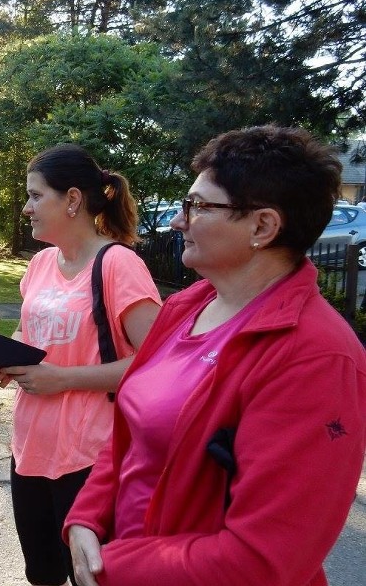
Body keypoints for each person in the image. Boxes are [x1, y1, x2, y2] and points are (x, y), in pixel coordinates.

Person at [63, 125, 366, 586]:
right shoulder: (187, 306)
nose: (177, 221)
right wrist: (86, 517)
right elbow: (131, 436)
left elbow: (261, 561)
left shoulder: (316, 359)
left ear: (263, 226)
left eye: (198, 206)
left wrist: (112, 567)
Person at [0, 143, 162, 586]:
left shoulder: (118, 264)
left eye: (36, 195)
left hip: (91, 455)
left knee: (91, 576)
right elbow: (33, 334)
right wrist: (10, 359)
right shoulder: (41, 263)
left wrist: (62, 379)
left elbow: (160, 364)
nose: (26, 208)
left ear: (74, 199)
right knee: (42, 574)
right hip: (30, 447)